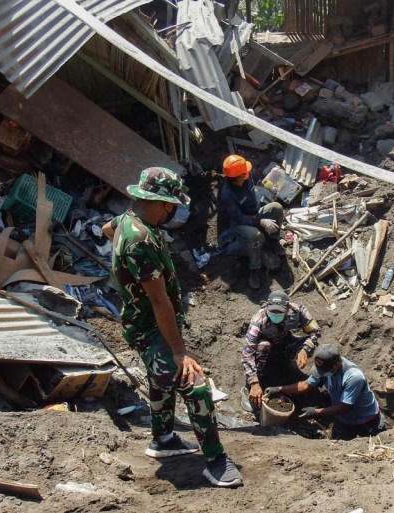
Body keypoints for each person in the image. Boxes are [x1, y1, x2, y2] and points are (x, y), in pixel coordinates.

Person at [102, 167, 242, 488]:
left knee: (161, 379)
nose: (174, 212)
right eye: (173, 206)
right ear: (164, 204)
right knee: (193, 382)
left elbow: (105, 229)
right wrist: (179, 351)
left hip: (142, 322)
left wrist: (124, 273)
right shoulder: (140, 241)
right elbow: (159, 301)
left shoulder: (125, 221)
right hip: (149, 327)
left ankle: (163, 439)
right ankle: (215, 461)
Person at [266, 345, 387, 441]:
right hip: (343, 420)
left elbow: (344, 407)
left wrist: (315, 412)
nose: (321, 373)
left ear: (335, 366)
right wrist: (279, 389)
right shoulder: (325, 368)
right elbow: (305, 385)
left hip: (366, 420)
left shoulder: (353, 377)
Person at [241, 290, 320, 412]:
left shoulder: (297, 311)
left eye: (280, 311)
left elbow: (315, 332)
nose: (276, 314)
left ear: (287, 307)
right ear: (267, 306)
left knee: (312, 346)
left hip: (285, 343)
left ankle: (285, 364)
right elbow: (247, 352)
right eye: (273, 311)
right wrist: (253, 383)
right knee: (264, 346)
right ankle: (251, 385)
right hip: (264, 350)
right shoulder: (259, 319)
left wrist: (305, 349)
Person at [219, 154, 284, 289]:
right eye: (245, 174)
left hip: (254, 214)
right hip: (240, 223)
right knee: (255, 235)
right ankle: (254, 268)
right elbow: (238, 218)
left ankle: (273, 241)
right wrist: (260, 222)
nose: (248, 175)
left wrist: (259, 218)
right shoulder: (227, 195)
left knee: (276, 208)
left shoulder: (246, 179)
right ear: (237, 178)